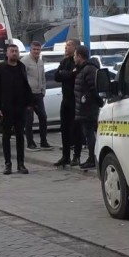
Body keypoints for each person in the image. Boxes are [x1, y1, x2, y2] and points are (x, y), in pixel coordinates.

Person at [0, 44, 33, 175]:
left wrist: (29, 103)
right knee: (6, 136)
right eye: (12, 51)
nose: (14, 53)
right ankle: (8, 164)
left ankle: (21, 164)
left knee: (20, 135)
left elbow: (26, 85)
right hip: (6, 108)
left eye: (16, 51)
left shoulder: (21, 67)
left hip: (20, 107)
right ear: (7, 53)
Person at [74, 45, 104, 170]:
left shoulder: (89, 69)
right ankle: (92, 157)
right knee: (88, 133)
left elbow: (93, 89)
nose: (74, 58)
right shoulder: (83, 69)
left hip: (88, 108)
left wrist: (90, 100)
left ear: (79, 56)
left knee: (89, 133)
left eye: (75, 56)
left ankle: (93, 158)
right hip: (84, 108)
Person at [53, 39, 83, 167]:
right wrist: (68, 73)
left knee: (76, 129)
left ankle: (77, 156)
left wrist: (66, 74)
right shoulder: (64, 61)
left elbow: (76, 76)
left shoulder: (78, 62)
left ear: (75, 47)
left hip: (75, 100)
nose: (66, 47)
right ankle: (65, 156)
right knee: (64, 128)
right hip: (65, 100)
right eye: (66, 45)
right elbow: (57, 76)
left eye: (69, 45)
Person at [21, 41, 51, 151]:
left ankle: (44, 141)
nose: (36, 51)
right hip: (28, 95)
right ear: (30, 49)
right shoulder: (24, 61)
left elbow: (43, 77)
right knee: (29, 120)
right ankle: (30, 143)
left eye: (38, 49)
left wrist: (43, 90)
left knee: (43, 117)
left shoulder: (41, 62)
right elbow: (22, 79)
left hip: (39, 94)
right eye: (34, 49)